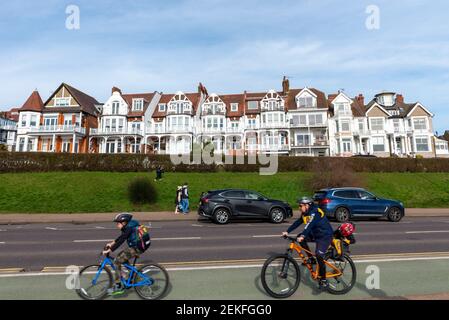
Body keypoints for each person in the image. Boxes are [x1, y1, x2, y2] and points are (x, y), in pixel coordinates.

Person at [282, 197, 334, 290]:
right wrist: (287, 231)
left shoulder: (315, 212)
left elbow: (310, 224)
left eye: (300, 206)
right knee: (301, 238)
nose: (299, 208)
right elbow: (298, 222)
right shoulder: (305, 213)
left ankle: (324, 280)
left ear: (307, 205)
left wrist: (303, 235)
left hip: (324, 236)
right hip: (315, 234)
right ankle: (311, 258)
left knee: (319, 255)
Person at [102, 213, 146, 296]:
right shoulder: (129, 227)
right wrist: (111, 243)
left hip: (137, 248)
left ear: (124, 223)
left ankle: (118, 286)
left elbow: (122, 239)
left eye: (118, 223)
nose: (117, 225)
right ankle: (131, 275)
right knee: (121, 257)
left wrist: (110, 250)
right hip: (137, 246)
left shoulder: (129, 228)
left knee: (116, 262)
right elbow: (121, 237)